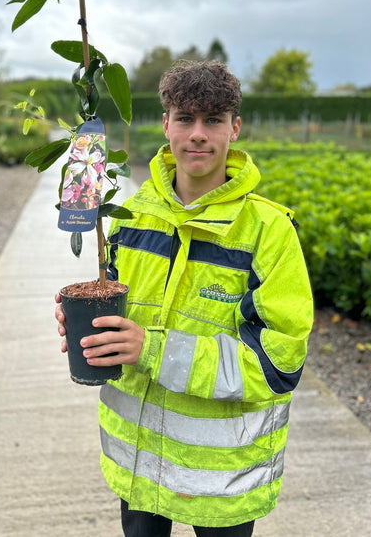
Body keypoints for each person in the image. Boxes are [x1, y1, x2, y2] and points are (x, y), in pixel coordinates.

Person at [55, 60, 313, 536]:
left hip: (221, 477)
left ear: (234, 128)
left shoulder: (268, 233)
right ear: (166, 124)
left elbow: (280, 364)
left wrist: (150, 348)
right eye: (186, 118)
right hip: (137, 460)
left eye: (213, 120)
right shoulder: (130, 216)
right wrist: (89, 322)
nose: (198, 134)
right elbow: (116, 303)